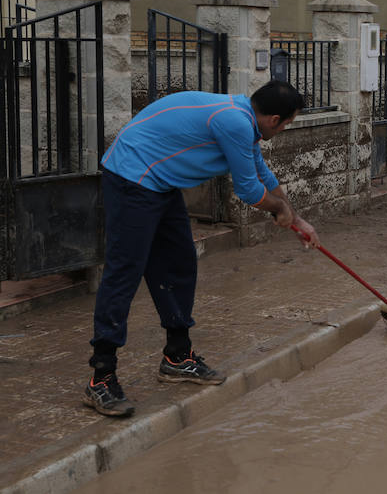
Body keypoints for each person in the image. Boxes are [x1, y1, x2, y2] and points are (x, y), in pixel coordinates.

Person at [84, 81, 320, 417]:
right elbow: (250, 191)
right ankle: (101, 378)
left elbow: (262, 174)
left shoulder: (246, 119)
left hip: (160, 182)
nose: (284, 130)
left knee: (180, 262)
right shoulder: (236, 122)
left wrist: (298, 221)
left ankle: (177, 357)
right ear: (274, 119)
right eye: (287, 124)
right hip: (131, 176)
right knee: (125, 271)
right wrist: (281, 211)